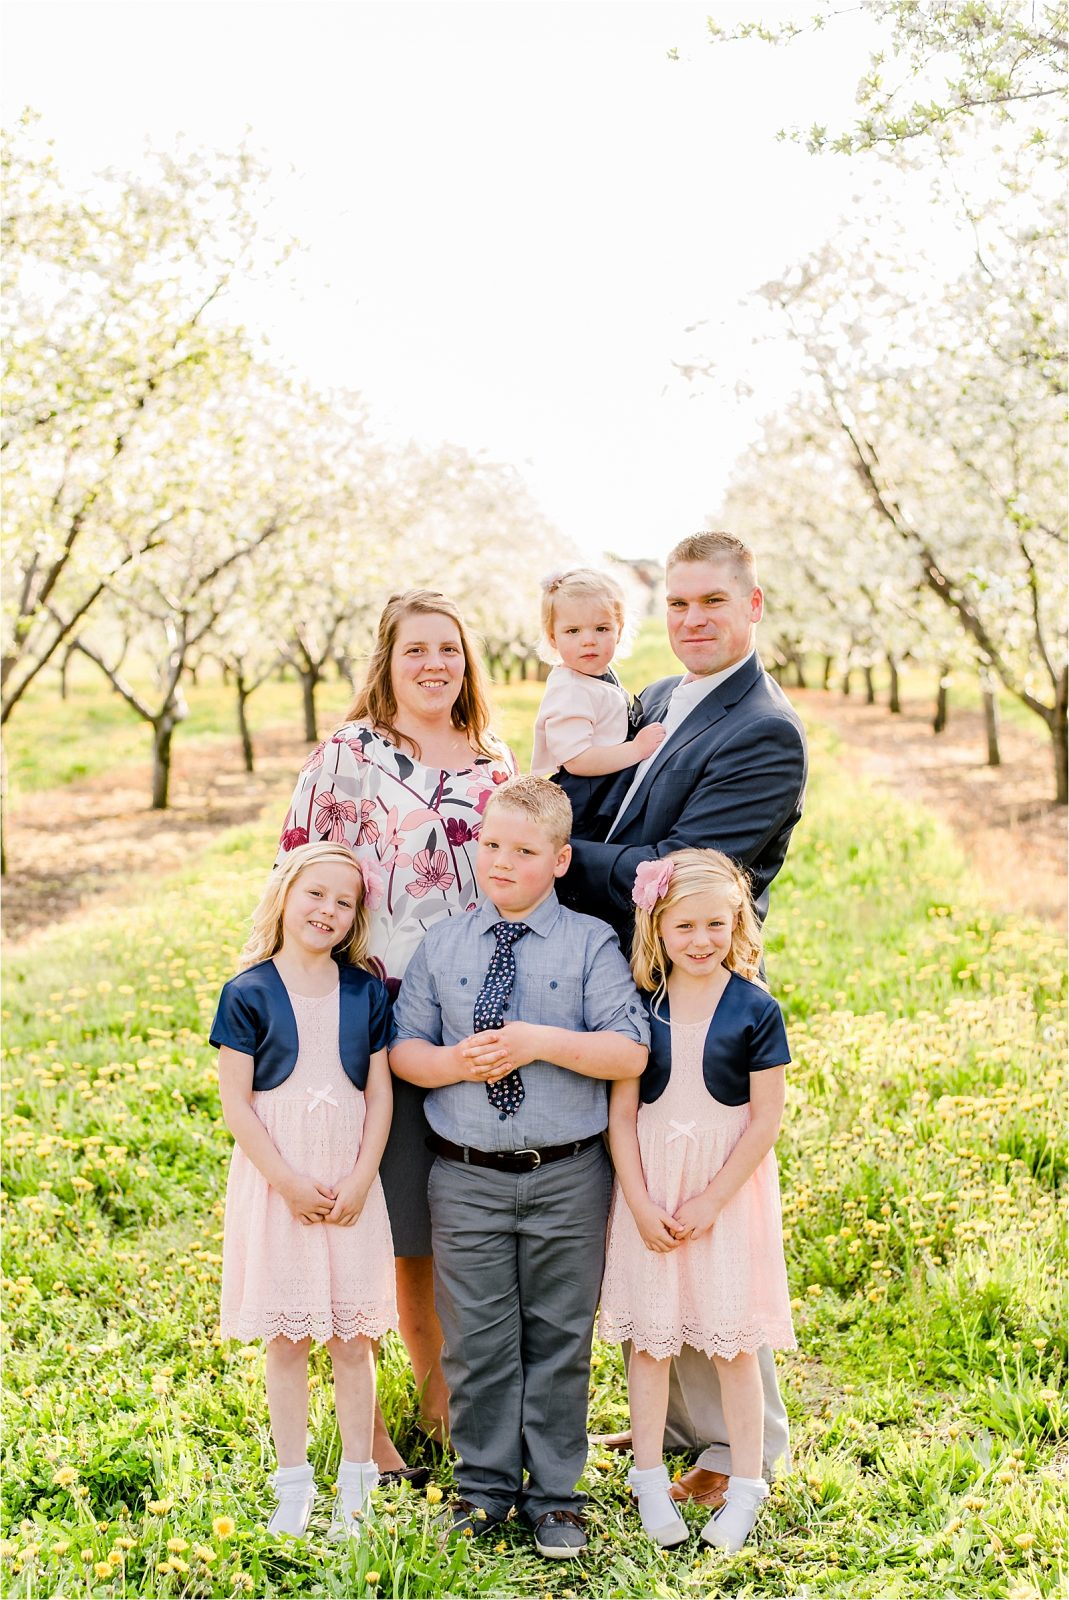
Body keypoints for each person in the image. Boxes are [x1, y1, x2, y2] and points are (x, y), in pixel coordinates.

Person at [561, 531, 807, 1505]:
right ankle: (668, 1419)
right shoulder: (659, 698)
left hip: (699, 994)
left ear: (752, 607)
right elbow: (602, 803)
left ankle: (738, 1445)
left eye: (712, 602)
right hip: (634, 988)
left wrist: (556, 858)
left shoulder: (764, 730)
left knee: (705, 1202)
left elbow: (677, 875)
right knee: (648, 1194)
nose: (693, 620)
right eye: (678, 604)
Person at [276, 590, 515, 1479]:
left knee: (431, 1220)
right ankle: (363, 1430)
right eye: (415, 649)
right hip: (365, 1014)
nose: (432, 665)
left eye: (447, 649)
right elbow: (300, 874)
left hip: (468, 1022)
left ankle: (441, 1397)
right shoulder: (349, 754)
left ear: (466, 660)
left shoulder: (496, 764)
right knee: (360, 1214)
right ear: (388, 658)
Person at [390, 777, 650, 1560]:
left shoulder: (589, 944)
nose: (502, 861)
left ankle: (557, 1495)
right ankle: (485, 1486)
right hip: (464, 1175)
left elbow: (628, 1048)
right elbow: (405, 1051)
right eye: (491, 845)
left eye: (524, 851)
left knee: (560, 1334)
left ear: (560, 859)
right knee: (476, 1336)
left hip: (567, 1173)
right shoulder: (443, 944)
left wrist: (537, 1040)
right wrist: (449, 1065)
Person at [600, 849, 795, 1553]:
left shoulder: (755, 1008)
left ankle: (745, 1484)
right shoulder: (637, 1008)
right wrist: (640, 1200)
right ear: (657, 927)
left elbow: (763, 1121)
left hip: (723, 1196)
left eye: (717, 923)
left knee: (732, 1341)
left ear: (737, 923)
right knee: (650, 1341)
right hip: (651, 1191)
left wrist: (712, 1199)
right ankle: (649, 1477)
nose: (701, 939)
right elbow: (621, 1116)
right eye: (684, 925)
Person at [211, 842, 396, 1539]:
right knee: (288, 1341)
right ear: (285, 893)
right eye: (315, 894)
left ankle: (358, 1484)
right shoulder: (249, 991)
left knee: (353, 1341)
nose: (327, 910)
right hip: (279, 1183)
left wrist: (359, 1177)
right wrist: (285, 1181)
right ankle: (293, 1482)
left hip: (350, 1183)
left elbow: (379, 1098)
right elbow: (237, 1105)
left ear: (356, 918)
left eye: (343, 902)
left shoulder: (365, 991)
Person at [531, 567, 664, 831]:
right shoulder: (569, 690)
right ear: (552, 637)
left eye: (601, 628)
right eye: (573, 631)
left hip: (605, 784)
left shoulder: (595, 675)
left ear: (619, 630)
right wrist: (636, 750)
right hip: (586, 797)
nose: (589, 641)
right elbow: (577, 759)